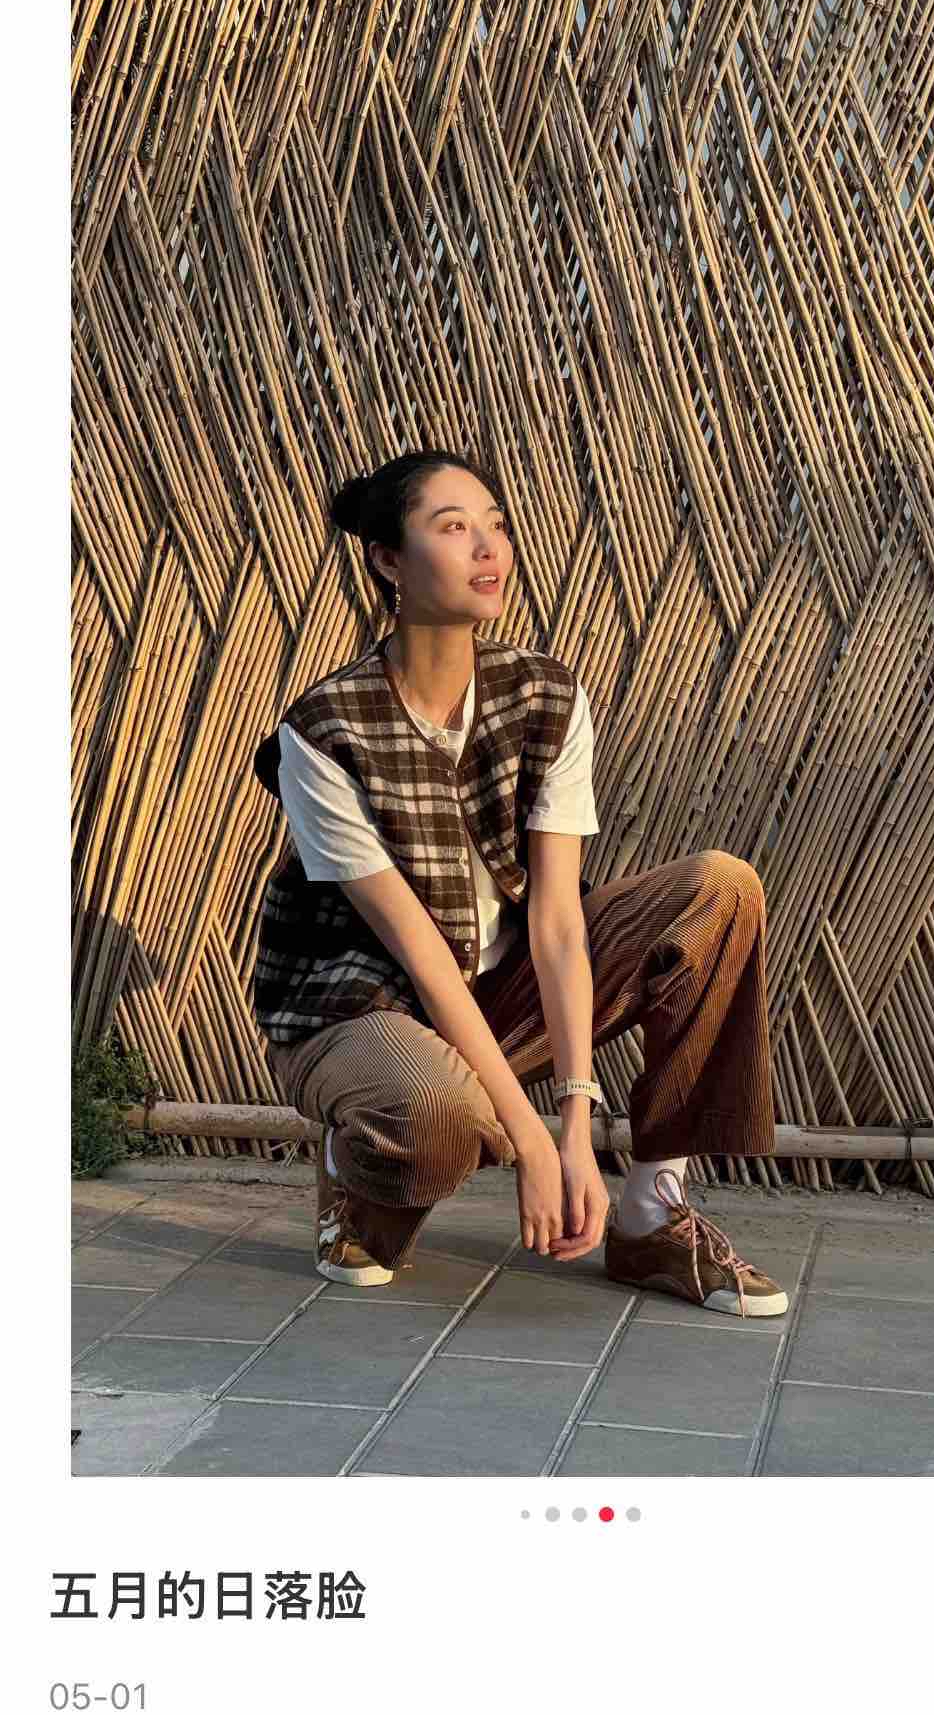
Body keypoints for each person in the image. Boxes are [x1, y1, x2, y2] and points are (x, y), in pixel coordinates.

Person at [251, 448, 788, 1319]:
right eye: (453, 527)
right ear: (388, 560)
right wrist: (532, 1144)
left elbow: (559, 924)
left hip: (499, 989)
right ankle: (357, 1172)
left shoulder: (545, 695)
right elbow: (420, 957)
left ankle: (653, 1215)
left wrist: (574, 1120)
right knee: (436, 1117)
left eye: (495, 524)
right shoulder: (323, 730)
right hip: (358, 1008)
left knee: (720, 889)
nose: (487, 547)